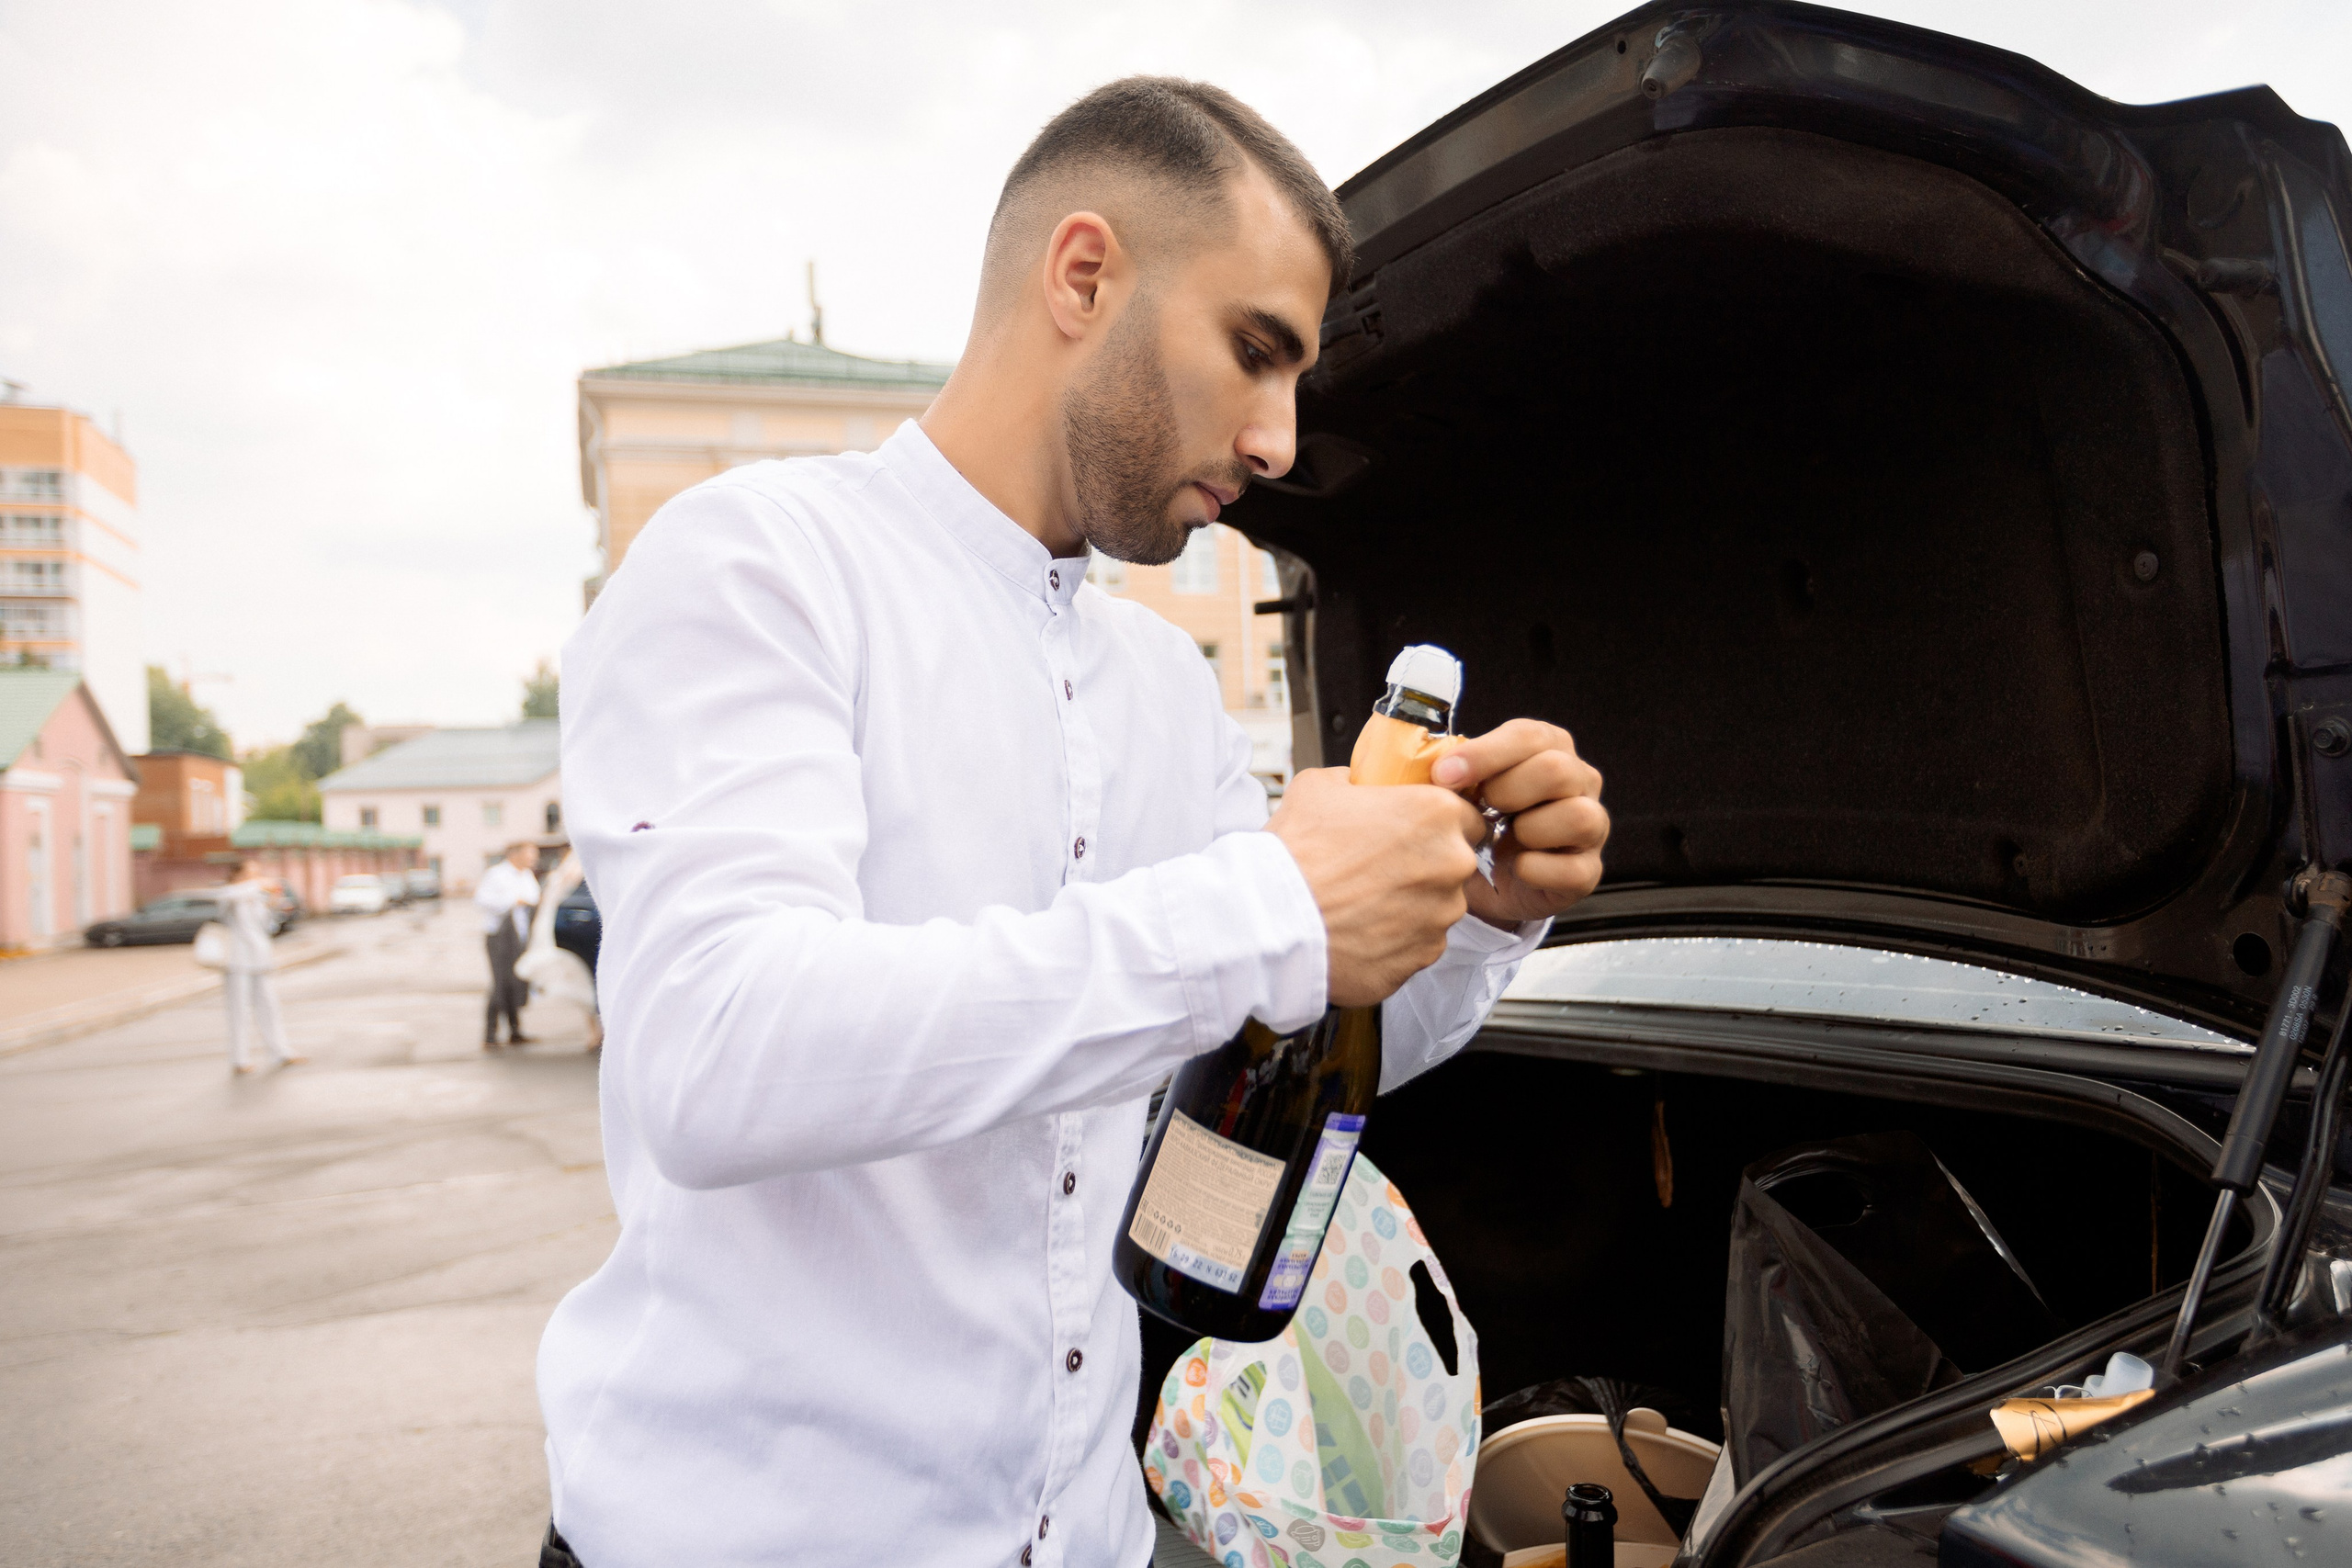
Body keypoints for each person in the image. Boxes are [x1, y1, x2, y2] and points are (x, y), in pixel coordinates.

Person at [537, 78, 1610, 1568]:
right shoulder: (757, 565)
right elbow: (723, 1054)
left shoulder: (1161, 682)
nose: (1282, 439)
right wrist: (1272, 906)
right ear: (1084, 273)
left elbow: (1243, 1058)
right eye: (1256, 353)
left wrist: (1474, 926)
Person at [219, 857, 301, 1075]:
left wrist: (272, 903)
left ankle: (281, 1052)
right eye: (249, 873)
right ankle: (240, 1059)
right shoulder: (229, 895)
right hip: (236, 961)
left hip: (259, 958)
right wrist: (258, 885)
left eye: (256, 873)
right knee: (239, 1010)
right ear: (237, 875)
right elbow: (232, 895)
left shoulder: (255, 897)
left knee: (269, 1006)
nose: (254, 878)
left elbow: (268, 926)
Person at [474, 841, 540, 1048]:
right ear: (515, 854)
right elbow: (481, 900)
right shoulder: (496, 874)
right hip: (499, 936)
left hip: (519, 937)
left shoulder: (527, 875)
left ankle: (515, 1031)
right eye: (530, 853)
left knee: (515, 982)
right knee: (500, 983)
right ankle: (490, 1034)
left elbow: (535, 897)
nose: (533, 858)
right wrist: (513, 901)